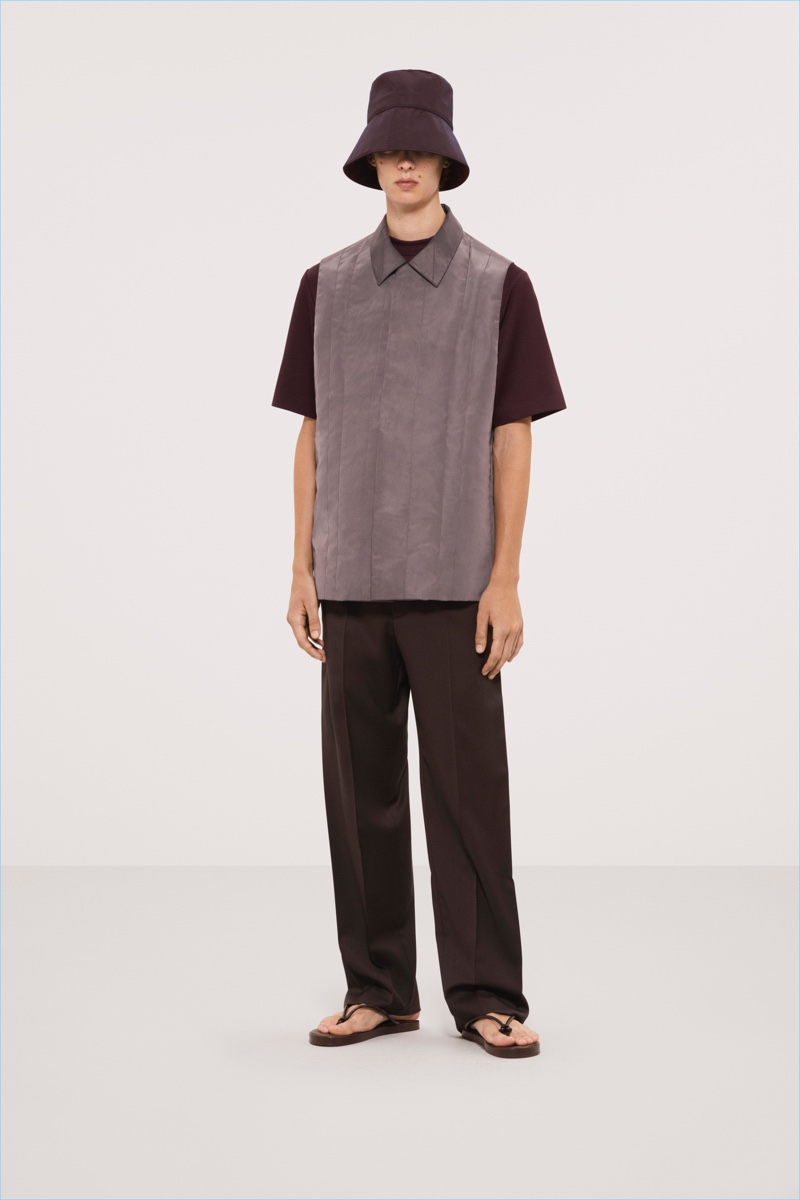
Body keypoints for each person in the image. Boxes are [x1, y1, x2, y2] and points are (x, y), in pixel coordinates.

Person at [271, 69, 566, 1059]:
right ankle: (378, 990)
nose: (403, 161)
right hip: (350, 580)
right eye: (388, 147)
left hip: (453, 583)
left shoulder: (497, 285)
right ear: (370, 162)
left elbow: (513, 434)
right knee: (359, 799)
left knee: (467, 795)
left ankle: (486, 994)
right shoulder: (324, 286)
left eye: (420, 146)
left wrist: (505, 577)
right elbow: (312, 432)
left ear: (445, 159)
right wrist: (301, 568)